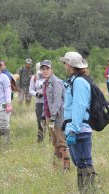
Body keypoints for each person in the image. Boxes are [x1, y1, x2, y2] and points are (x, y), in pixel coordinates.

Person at [60, 52, 96, 192]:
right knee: (80, 162)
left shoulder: (79, 82)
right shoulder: (74, 80)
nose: (64, 65)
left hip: (79, 129)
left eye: (65, 63)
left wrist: (73, 129)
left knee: (84, 161)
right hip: (75, 128)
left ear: (69, 65)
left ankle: (90, 190)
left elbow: (79, 106)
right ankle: (84, 190)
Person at [40, 60, 70, 171]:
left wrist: (52, 117)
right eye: (43, 69)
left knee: (61, 141)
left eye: (47, 69)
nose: (45, 71)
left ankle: (66, 167)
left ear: (52, 70)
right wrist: (44, 115)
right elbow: (46, 101)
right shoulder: (46, 82)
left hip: (57, 116)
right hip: (49, 116)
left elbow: (58, 101)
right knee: (55, 141)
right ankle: (57, 166)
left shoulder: (56, 82)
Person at [29, 62, 46, 143]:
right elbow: (31, 90)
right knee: (39, 120)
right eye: (41, 68)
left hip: (48, 101)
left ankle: (51, 139)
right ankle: (40, 139)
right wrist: (36, 94)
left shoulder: (49, 76)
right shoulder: (34, 77)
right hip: (39, 102)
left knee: (49, 120)